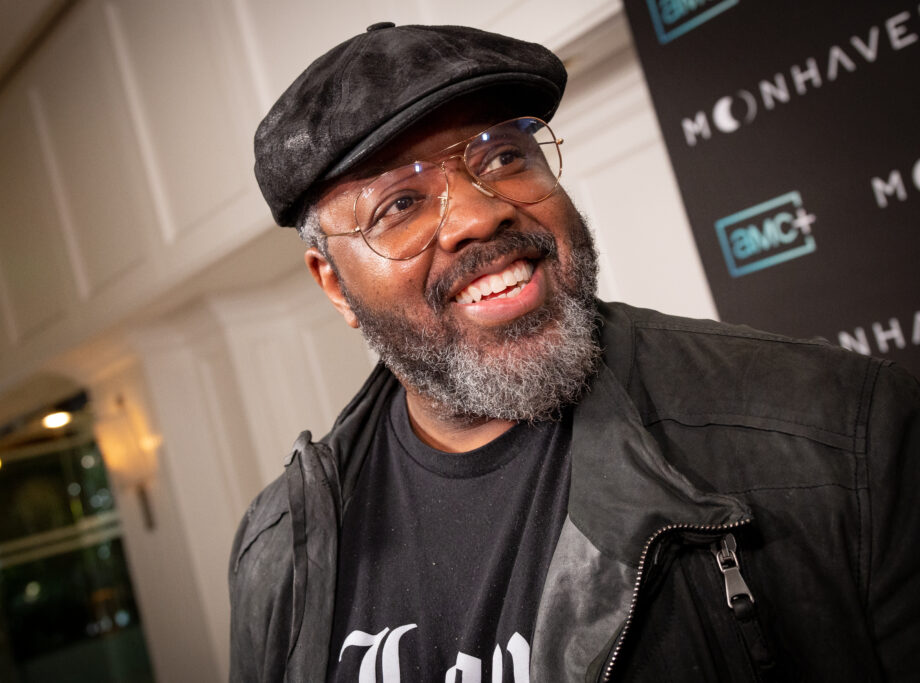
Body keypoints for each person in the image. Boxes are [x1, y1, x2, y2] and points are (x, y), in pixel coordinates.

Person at [229, 23, 920, 682]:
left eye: (503, 156)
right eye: (400, 205)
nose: (479, 213)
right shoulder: (277, 552)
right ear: (336, 286)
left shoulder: (839, 431)